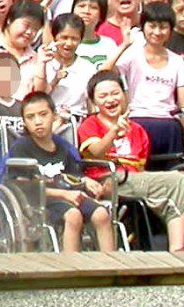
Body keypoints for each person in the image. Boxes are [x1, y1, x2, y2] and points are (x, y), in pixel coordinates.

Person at [78, 70, 184, 252]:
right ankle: (178, 248)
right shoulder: (90, 125)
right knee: (178, 181)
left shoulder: (137, 129)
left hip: (134, 178)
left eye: (115, 93)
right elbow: (95, 154)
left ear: (125, 95)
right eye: (103, 96)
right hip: (107, 178)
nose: (110, 99)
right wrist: (113, 132)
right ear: (94, 102)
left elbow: (140, 168)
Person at [14, 89, 116, 253]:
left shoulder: (61, 145)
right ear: (24, 122)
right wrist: (63, 194)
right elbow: (22, 187)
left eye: (43, 115)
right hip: (40, 200)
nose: (38, 121)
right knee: (73, 216)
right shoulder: (21, 147)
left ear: (54, 116)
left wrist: (85, 181)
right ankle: (70, 264)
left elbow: (72, 175)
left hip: (69, 194)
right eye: (30, 117)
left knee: (101, 214)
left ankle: (110, 262)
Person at [107, 1, 184, 157]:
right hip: (138, 120)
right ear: (143, 27)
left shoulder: (177, 61)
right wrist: (124, 45)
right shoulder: (133, 55)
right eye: (152, 26)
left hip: (168, 122)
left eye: (163, 27)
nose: (157, 32)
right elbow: (103, 73)